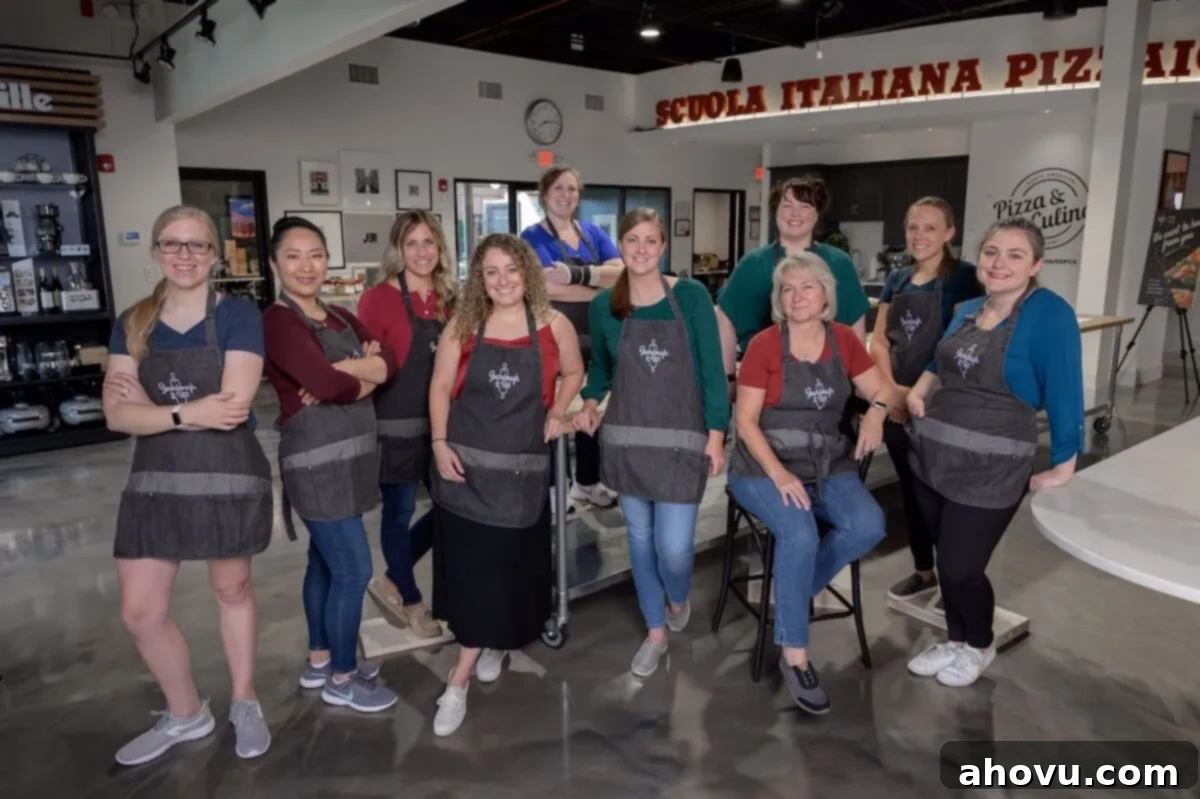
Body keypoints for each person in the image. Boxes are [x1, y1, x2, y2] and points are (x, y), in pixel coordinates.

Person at [104, 205, 273, 765]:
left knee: (232, 592)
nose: (184, 255)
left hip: (226, 472)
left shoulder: (239, 316)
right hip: (154, 480)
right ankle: (185, 713)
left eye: (197, 245)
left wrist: (156, 409)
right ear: (155, 251)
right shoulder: (132, 322)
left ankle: (244, 701)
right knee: (139, 611)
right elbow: (116, 415)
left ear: (215, 255)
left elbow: (234, 406)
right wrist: (185, 412)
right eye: (172, 244)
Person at [904, 218, 1083, 688]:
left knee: (964, 567)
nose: (998, 263)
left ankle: (980, 644)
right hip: (933, 457)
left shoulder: (1050, 315)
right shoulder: (967, 308)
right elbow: (936, 359)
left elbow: (1065, 386)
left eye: (1014, 255)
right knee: (946, 563)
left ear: (1036, 264)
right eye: (991, 252)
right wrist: (922, 386)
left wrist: (1065, 461)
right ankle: (956, 640)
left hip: (992, 466)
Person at [428, 233, 584, 737]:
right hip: (465, 473)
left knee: (506, 573)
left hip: (520, 476)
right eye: (491, 272)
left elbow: (575, 371)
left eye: (511, 270)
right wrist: (437, 442)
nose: (502, 280)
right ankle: (458, 680)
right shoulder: (464, 324)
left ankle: (492, 643)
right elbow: (438, 387)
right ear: (479, 278)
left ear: (528, 273)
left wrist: (559, 410)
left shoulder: (554, 325)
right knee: (474, 576)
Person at [726, 251, 891, 715]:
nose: (797, 296)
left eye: (807, 287)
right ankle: (795, 655)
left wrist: (877, 413)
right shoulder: (763, 345)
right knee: (797, 531)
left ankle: (791, 593)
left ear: (825, 296)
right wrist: (779, 474)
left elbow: (880, 390)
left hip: (827, 463)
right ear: (780, 299)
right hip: (762, 466)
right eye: (788, 289)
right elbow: (746, 421)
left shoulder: (843, 341)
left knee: (868, 525)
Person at [573, 209, 729, 678]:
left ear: (663, 246)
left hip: (683, 444)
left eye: (650, 241)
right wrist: (588, 400)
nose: (641, 249)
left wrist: (717, 435)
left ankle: (676, 597)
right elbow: (601, 367)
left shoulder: (691, 297)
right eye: (632, 240)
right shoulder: (605, 305)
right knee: (640, 540)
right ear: (620, 246)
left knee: (675, 548)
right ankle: (655, 631)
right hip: (627, 439)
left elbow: (711, 372)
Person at [263, 217, 400, 713]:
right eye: (294, 255)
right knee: (353, 568)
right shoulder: (278, 321)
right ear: (276, 262)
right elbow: (328, 387)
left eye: (316, 254)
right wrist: (353, 376)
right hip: (317, 463)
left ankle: (321, 657)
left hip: (353, 458)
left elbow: (390, 366)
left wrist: (343, 371)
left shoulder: (339, 315)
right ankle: (343, 678)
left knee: (323, 561)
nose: (306, 265)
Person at [868, 198, 983, 602]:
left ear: (950, 233)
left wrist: (920, 391)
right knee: (912, 493)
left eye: (931, 228)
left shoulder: (966, 279)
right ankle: (923, 571)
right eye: (913, 227)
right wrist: (892, 390)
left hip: (943, 404)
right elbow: (879, 340)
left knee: (945, 496)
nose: (920, 236)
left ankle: (958, 577)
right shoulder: (896, 280)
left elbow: (960, 342)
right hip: (897, 404)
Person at [357, 211, 457, 639]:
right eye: (412, 243)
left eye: (429, 242)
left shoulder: (451, 298)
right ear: (398, 249)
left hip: (444, 424)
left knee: (454, 510)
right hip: (395, 423)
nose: (421, 252)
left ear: (440, 248)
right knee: (397, 513)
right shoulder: (377, 298)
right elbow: (369, 361)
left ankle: (392, 580)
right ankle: (414, 602)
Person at [520, 165, 624, 510]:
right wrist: (597, 288)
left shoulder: (593, 232)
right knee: (555, 407)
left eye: (572, 189)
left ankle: (588, 481)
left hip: (595, 337)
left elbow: (621, 274)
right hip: (556, 337)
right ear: (545, 194)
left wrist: (576, 276)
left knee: (592, 404)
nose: (566, 195)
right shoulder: (532, 238)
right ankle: (555, 488)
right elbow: (542, 287)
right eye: (558, 189)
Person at [717, 175, 871, 377]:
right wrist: (728, 376)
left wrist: (859, 382)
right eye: (787, 205)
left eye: (805, 206)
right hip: (762, 379)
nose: (795, 213)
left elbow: (855, 326)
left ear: (817, 214)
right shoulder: (752, 265)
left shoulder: (839, 264)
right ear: (776, 212)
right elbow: (725, 317)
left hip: (831, 380)